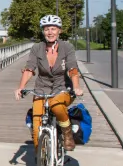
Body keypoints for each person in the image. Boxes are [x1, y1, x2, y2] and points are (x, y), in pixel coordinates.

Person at [15, 14, 83, 151]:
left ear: (59, 30)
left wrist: (76, 87)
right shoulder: (37, 48)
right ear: (43, 31)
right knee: (36, 125)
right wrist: (20, 88)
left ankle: (67, 133)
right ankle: (42, 159)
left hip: (62, 87)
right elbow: (29, 68)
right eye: (46, 29)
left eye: (53, 29)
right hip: (41, 88)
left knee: (56, 106)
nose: (50, 32)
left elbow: (72, 69)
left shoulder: (67, 47)